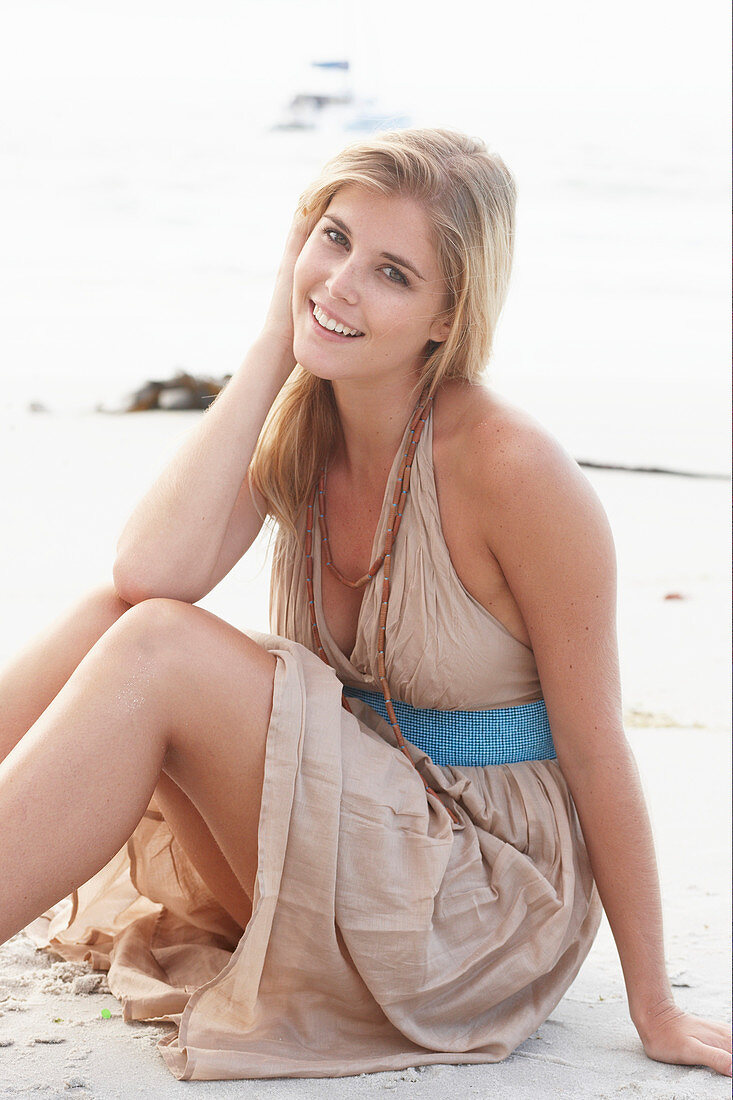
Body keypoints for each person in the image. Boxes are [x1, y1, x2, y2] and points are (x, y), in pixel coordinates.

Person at [0, 127, 729, 1082]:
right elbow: (147, 572)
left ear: (444, 314)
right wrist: (275, 338)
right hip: (341, 847)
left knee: (159, 652)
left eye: (392, 272)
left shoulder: (512, 470)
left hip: (474, 908)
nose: (341, 284)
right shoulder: (302, 421)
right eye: (334, 238)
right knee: (120, 620)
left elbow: (596, 745)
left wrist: (655, 1004)